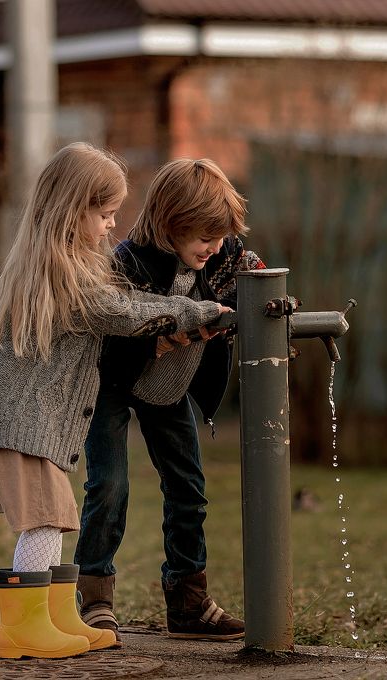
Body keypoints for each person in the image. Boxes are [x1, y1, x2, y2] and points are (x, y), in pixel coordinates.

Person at [0, 143, 228, 660]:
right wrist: (193, 313)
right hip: (11, 413)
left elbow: (123, 303)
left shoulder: (67, 259)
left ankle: (55, 616)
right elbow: (122, 312)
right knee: (44, 515)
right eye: (103, 215)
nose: (111, 226)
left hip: (14, 409)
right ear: (71, 209)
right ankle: (21, 629)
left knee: (56, 513)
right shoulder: (63, 271)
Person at [74, 158, 264, 642]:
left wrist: (272, 303)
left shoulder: (226, 257)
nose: (214, 246)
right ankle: (94, 599)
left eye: (220, 235)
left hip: (170, 388)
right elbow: (117, 329)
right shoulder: (128, 263)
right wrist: (186, 326)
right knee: (109, 487)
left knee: (188, 490)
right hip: (113, 383)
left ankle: (188, 603)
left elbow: (260, 282)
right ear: (169, 224)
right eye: (203, 235)